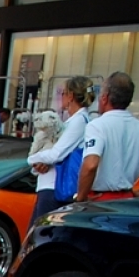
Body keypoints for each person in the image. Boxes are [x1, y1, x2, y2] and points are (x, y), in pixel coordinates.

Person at [76, 72, 139, 203]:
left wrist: (80, 198)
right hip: (127, 200)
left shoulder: (97, 126)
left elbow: (90, 165)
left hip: (98, 200)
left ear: (105, 98)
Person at [28, 76, 94, 224]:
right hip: (50, 185)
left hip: (54, 187)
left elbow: (56, 154)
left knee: (41, 236)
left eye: (62, 93)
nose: (60, 96)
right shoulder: (74, 121)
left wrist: (32, 158)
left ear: (70, 96)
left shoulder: (78, 121)